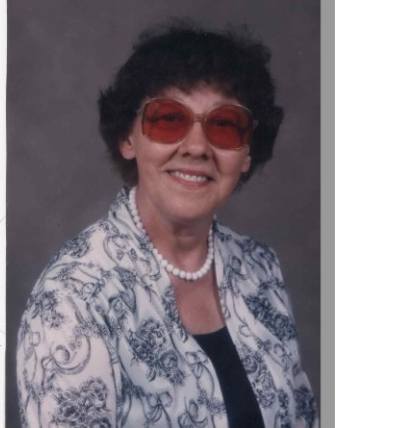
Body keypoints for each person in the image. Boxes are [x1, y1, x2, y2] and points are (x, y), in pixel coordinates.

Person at [16, 22, 318, 428]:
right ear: (128, 138)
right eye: (169, 119)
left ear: (246, 154)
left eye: (224, 125)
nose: (196, 147)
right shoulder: (72, 298)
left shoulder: (260, 269)